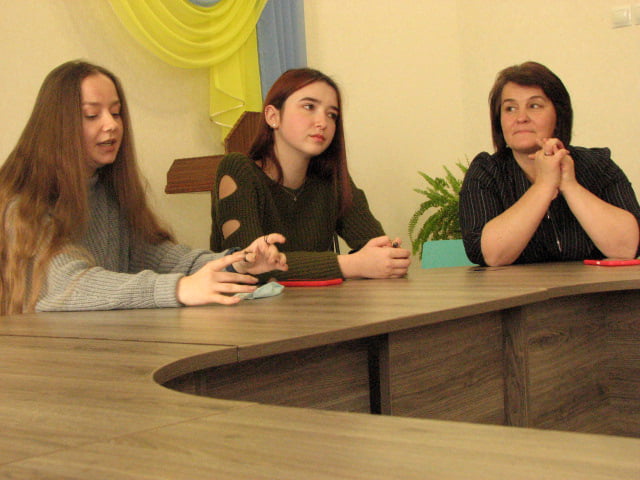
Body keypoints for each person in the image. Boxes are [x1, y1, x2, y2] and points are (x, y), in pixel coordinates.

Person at [0, 60, 288, 315]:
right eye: (92, 115)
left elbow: (154, 256)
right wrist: (178, 289)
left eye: (116, 113)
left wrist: (236, 262)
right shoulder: (22, 202)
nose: (111, 125)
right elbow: (66, 285)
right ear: (58, 125)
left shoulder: (108, 190)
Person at [210, 68, 411, 281]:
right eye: (309, 107)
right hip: (248, 302)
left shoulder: (330, 179)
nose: (322, 123)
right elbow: (249, 264)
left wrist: (388, 257)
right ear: (273, 116)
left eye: (332, 115)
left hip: (318, 301)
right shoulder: (238, 169)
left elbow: (374, 245)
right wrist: (354, 264)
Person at [459, 61, 640, 267]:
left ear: (559, 114)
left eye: (534, 106)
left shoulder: (598, 165)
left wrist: (569, 185)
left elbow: (628, 248)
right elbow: (490, 255)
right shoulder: (486, 171)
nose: (521, 118)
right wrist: (544, 185)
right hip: (516, 289)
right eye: (510, 108)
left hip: (597, 288)